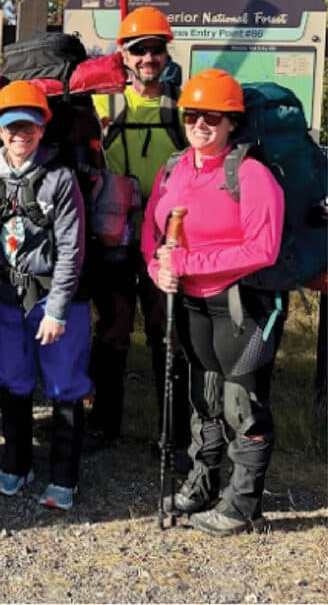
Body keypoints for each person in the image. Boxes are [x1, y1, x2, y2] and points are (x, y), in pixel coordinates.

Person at [144, 68, 285, 536]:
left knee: (241, 404)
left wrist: (186, 263)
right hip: (193, 305)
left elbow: (261, 249)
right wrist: (158, 268)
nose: (200, 123)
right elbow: (154, 232)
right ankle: (203, 483)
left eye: (213, 116)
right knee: (203, 398)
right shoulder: (175, 168)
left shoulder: (251, 174)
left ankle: (243, 504)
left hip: (246, 305)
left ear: (231, 123)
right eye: (193, 114)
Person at [0, 80, 92, 511]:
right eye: (12, 126)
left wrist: (56, 311)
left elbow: (72, 248)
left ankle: (63, 476)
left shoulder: (60, 178)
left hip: (55, 299)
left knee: (64, 384)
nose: (21, 135)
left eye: (30, 127)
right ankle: (16, 464)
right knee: (11, 378)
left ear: (42, 129)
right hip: (4, 299)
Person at [86, 6, 190, 465]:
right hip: (115, 231)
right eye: (139, 49)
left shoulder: (184, 107)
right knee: (113, 328)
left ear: (166, 54)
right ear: (123, 55)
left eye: (156, 49)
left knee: (166, 330)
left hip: (166, 234)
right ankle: (104, 424)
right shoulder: (101, 103)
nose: (149, 57)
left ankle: (176, 434)